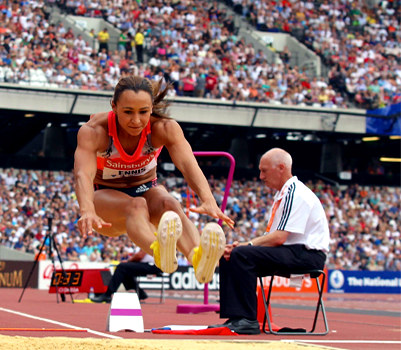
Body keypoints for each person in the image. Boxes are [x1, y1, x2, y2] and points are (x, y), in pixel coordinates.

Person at [74, 76, 234, 284]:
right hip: (105, 201)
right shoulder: (95, 131)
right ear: (113, 106)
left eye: (143, 112)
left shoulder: (164, 128)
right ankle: (159, 251)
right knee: (136, 205)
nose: (136, 121)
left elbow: (188, 164)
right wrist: (86, 209)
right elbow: (82, 174)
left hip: (146, 188)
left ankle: (197, 257)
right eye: (128, 112)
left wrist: (208, 199)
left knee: (169, 202)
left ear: (151, 108)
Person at [209, 148, 330, 334]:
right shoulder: (283, 193)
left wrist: (247, 245)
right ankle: (236, 317)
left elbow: (279, 238)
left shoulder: (295, 193)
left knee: (241, 254)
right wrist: (243, 246)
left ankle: (248, 319)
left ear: (281, 168)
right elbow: (272, 238)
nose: (261, 176)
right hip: (292, 250)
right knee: (231, 256)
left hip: (307, 254)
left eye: (264, 170)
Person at [90, 250, 160, 303]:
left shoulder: (149, 236)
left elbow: (140, 256)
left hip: (152, 265)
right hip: (151, 265)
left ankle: (108, 294)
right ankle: (141, 293)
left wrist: (129, 260)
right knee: (125, 271)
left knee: (121, 267)